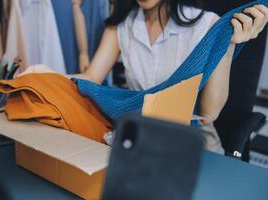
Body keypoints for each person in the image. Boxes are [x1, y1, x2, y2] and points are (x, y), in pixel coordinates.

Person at [19, 0, 268, 153]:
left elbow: (209, 112)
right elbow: (91, 77)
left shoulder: (207, 25)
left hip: (192, 137)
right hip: (137, 132)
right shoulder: (122, 25)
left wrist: (228, 46)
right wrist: (48, 74)